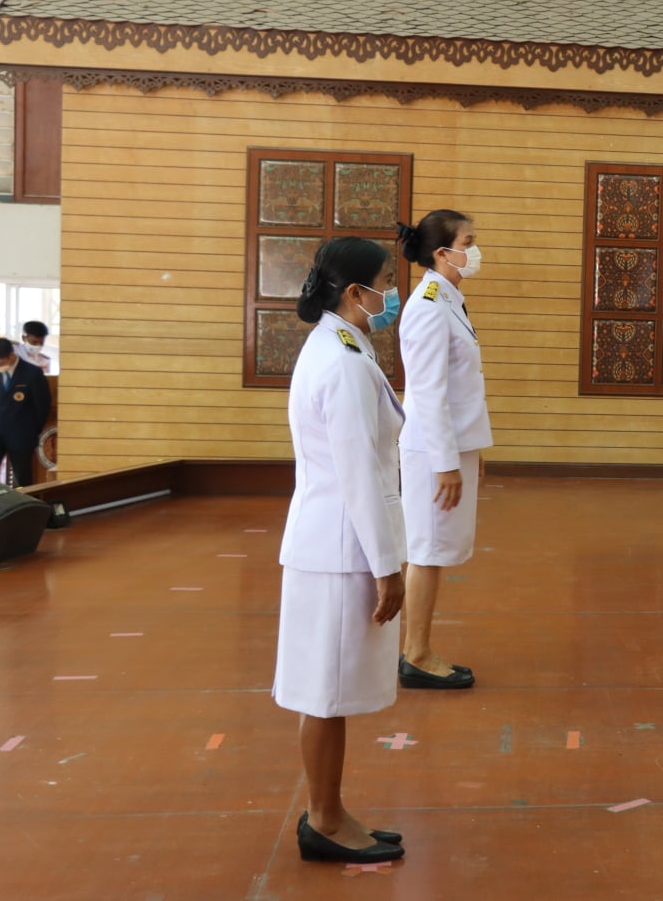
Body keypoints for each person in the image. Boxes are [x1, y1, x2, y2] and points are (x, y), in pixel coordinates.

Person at [275, 238, 408, 864]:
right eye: (387, 280)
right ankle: (324, 821)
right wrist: (389, 569)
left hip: (332, 540)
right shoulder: (344, 361)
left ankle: (329, 809)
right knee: (326, 694)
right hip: (340, 546)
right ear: (356, 292)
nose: (394, 293)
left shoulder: (340, 344)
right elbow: (359, 475)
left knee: (327, 689)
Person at [394, 210, 492, 691]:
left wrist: (470, 451)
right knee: (427, 551)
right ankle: (416, 654)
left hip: (451, 445)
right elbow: (429, 392)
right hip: (434, 452)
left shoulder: (448, 298)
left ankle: (417, 649)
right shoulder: (430, 306)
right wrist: (446, 464)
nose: (474, 251)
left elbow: (460, 387)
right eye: (468, 242)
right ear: (442, 253)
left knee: (430, 549)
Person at [0, 337, 51, 488]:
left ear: (11, 355)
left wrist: (31, 430)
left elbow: (42, 406)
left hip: (22, 433)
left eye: (0, 363)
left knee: (22, 478)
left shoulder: (32, 373)